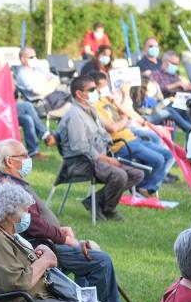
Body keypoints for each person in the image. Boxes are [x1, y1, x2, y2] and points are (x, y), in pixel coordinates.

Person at [0, 140, 121, 302]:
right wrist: (65, 239)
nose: (28, 158)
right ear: (9, 161)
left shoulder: (11, 182)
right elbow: (34, 226)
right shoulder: (10, 187)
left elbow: (35, 221)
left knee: (91, 255)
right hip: (38, 249)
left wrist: (59, 231)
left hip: (44, 242)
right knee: (101, 261)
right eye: (24, 155)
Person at [56, 76, 144, 221]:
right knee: (120, 175)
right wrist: (107, 159)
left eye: (95, 89)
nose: (95, 92)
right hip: (80, 163)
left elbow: (104, 134)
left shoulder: (91, 109)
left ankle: (95, 201)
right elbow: (80, 147)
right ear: (79, 94)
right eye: (91, 90)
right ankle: (109, 209)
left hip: (100, 159)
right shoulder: (74, 115)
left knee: (137, 173)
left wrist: (110, 154)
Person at [89, 71, 173, 196]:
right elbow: (113, 128)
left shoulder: (108, 100)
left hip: (131, 138)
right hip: (119, 144)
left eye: (106, 84)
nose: (106, 88)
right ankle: (141, 188)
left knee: (169, 155)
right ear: (95, 89)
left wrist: (123, 97)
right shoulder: (93, 107)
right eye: (102, 86)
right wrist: (124, 118)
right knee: (159, 160)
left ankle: (146, 187)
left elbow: (128, 112)